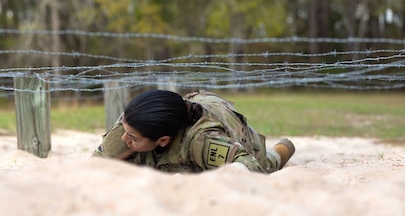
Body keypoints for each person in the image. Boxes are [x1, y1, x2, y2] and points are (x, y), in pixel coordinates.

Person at [92, 89, 295, 173]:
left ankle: (283, 148)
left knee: (266, 164)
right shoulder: (133, 119)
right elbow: (97, 161)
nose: (123, 137)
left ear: (163, 140)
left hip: (231, 125)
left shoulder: (202, 141)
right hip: (187, 108)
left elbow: (250, 167)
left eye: (132, 137)